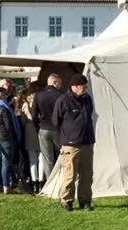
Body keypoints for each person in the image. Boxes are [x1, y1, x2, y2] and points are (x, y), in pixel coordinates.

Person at [53, 74, 95, 212]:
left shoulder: (87, 99)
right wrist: (69, 134)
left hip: (87, 141)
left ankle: (85, 201)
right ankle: (66, 200)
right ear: (76, 87)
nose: (87, 88)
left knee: (87, 175)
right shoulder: (63, 101)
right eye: (84, 86)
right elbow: (56, 121)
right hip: (71, 144)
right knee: (70, 174)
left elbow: (89, 115)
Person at [32, 74, 63, 184]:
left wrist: (38, 127)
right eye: (60, 83)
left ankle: (50, 183)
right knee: (62, 155)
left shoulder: (38, 95)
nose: (61, 85)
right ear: (54, 82)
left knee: (47, 159)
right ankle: (62, 180)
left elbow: (34, 114)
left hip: (43, 128)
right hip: (58, 129)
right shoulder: (61, 95)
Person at [21, 82, 43, 193]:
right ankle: (40, 183)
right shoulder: (40, 104)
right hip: (38, 130)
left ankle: (35, 183)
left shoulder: (25, 105)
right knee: (41, 158)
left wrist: (26, 114)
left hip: (29, 131)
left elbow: (23, 121)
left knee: (32, 160)